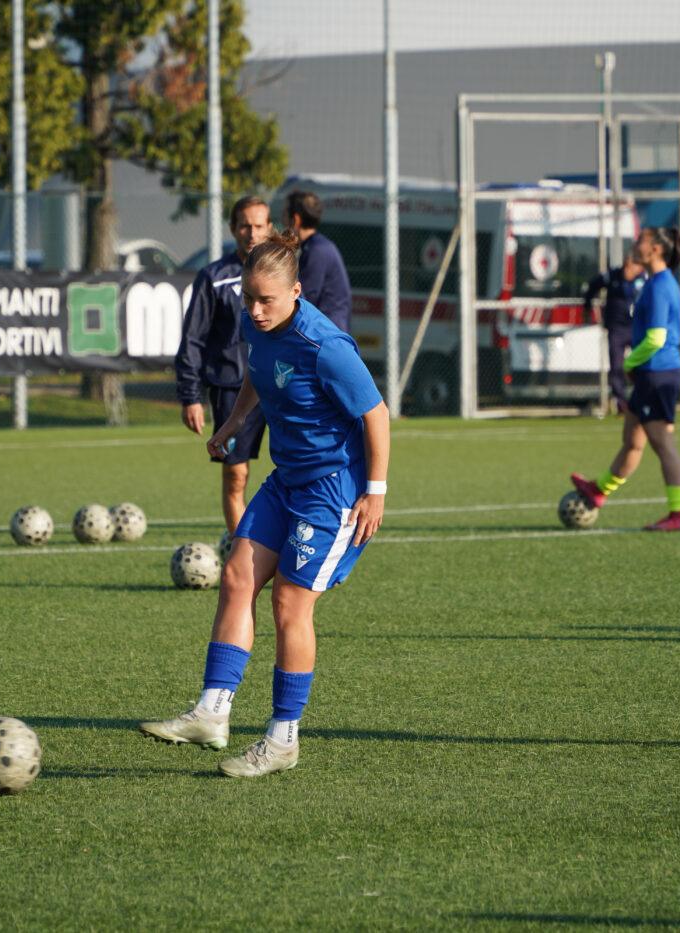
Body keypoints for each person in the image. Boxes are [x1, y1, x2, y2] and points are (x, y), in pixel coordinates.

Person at [141, 231, 390, 778]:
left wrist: (376, 492)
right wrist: (233, 424)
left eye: (266, 300)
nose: (254, 310)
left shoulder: (326, 346)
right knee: (236, 576)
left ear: (296, 292)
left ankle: (282, 740)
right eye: (248, 298)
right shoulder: (260, 326)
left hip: (332, 491)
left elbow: (377, 414)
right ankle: (212, 712)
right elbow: (259, 374)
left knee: (290, 605)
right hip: (288, 480)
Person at [569, 226, 680, 531]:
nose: (635, 245)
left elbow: (657, 338)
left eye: (642, 241)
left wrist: (630, 362)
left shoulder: (660, 285)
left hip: (657, 374)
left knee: (663, 444)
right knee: (632, 442)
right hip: (651, 373)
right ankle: (598, 491)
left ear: (656, 250)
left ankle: (679, 514)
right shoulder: (654, 282)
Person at [176, 196, 273, 535]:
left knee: (296, 467)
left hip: (279, 384)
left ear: (269, 228)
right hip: (232, 389)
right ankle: (240, 548)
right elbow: (193, 339)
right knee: (236, 474)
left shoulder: (280, 274)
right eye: (245, 225)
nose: (252, 233)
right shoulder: (213, 277)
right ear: (233, 229)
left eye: (259, 225)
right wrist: (190, 396)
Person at [582, 253, 646, 409]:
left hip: (637, 328)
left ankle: (642, 396)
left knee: (641, 364)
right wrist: (588, 308)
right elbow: (592, 286)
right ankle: (621, 402)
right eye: (626, 264)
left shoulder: (644, 279)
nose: (628, 269)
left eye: (632, 265)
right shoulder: (612, 276)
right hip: (616, 328)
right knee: (616, 366)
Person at [286, 189, 352, 332]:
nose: (284, 223)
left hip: (327, 334)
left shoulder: (317, 250)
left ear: (296, 220)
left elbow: (303, 300)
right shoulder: (316, 246)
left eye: (285, 216)